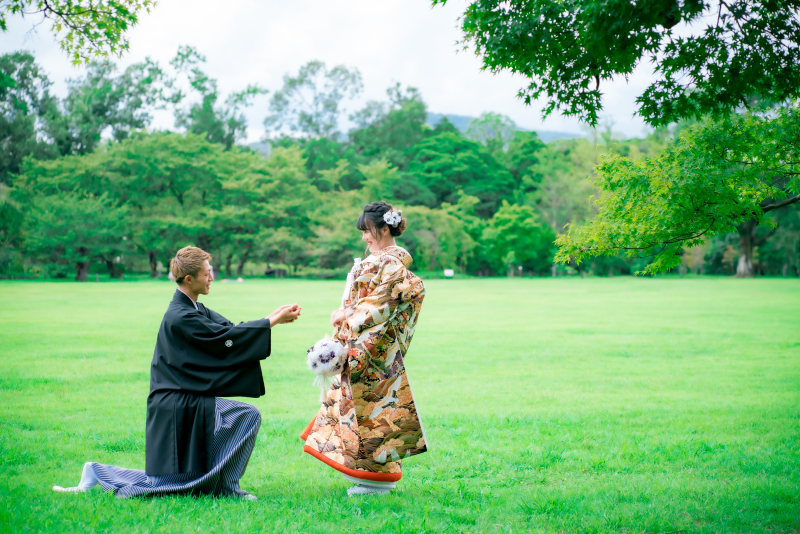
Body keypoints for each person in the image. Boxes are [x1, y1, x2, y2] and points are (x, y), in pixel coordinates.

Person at [53, 246, 301, 500]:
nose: (212, 277)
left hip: (187, 396)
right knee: (164, 484)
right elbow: (224, 340)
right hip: (175, 403)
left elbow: (230, 331)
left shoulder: (194, 308)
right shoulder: (180, 315)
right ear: (189, 279)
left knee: (245, 416)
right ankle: (98, 471)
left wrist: (274, 317)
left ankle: (227, 486)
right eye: (207, 273)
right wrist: (273, 321)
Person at [300, 201, 427, 497]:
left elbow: (384, 302)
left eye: (367, 231)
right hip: (369, 346)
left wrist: (349, 315)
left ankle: (374, 480)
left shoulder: (388, 264)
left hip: (370, 348)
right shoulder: (382, 262)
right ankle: (375, 477)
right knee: (368, 410)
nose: (364, 237)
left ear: (384, 230)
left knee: (367, 412)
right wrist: (347, 314)